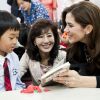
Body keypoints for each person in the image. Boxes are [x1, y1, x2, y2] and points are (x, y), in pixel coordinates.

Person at [53, 1, 100, 88]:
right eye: (65, 25)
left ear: (88, 29)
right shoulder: (75, 48)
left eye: (70, 25)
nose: (65, 30)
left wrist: (82, 81)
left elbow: (80, 80)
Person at [19, 19, 66, 86]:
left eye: (49, 36)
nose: (46, 41)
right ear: (34, 41)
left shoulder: (63, 54)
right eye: (40, 37)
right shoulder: (28, 54)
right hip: (39, 95)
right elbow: (17, 74)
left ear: (55, 38)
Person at [0, 10, 25, 91]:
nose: (15, 42)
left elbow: (17, 83)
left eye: (17, 37)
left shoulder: (14, 57)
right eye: (11, 38)